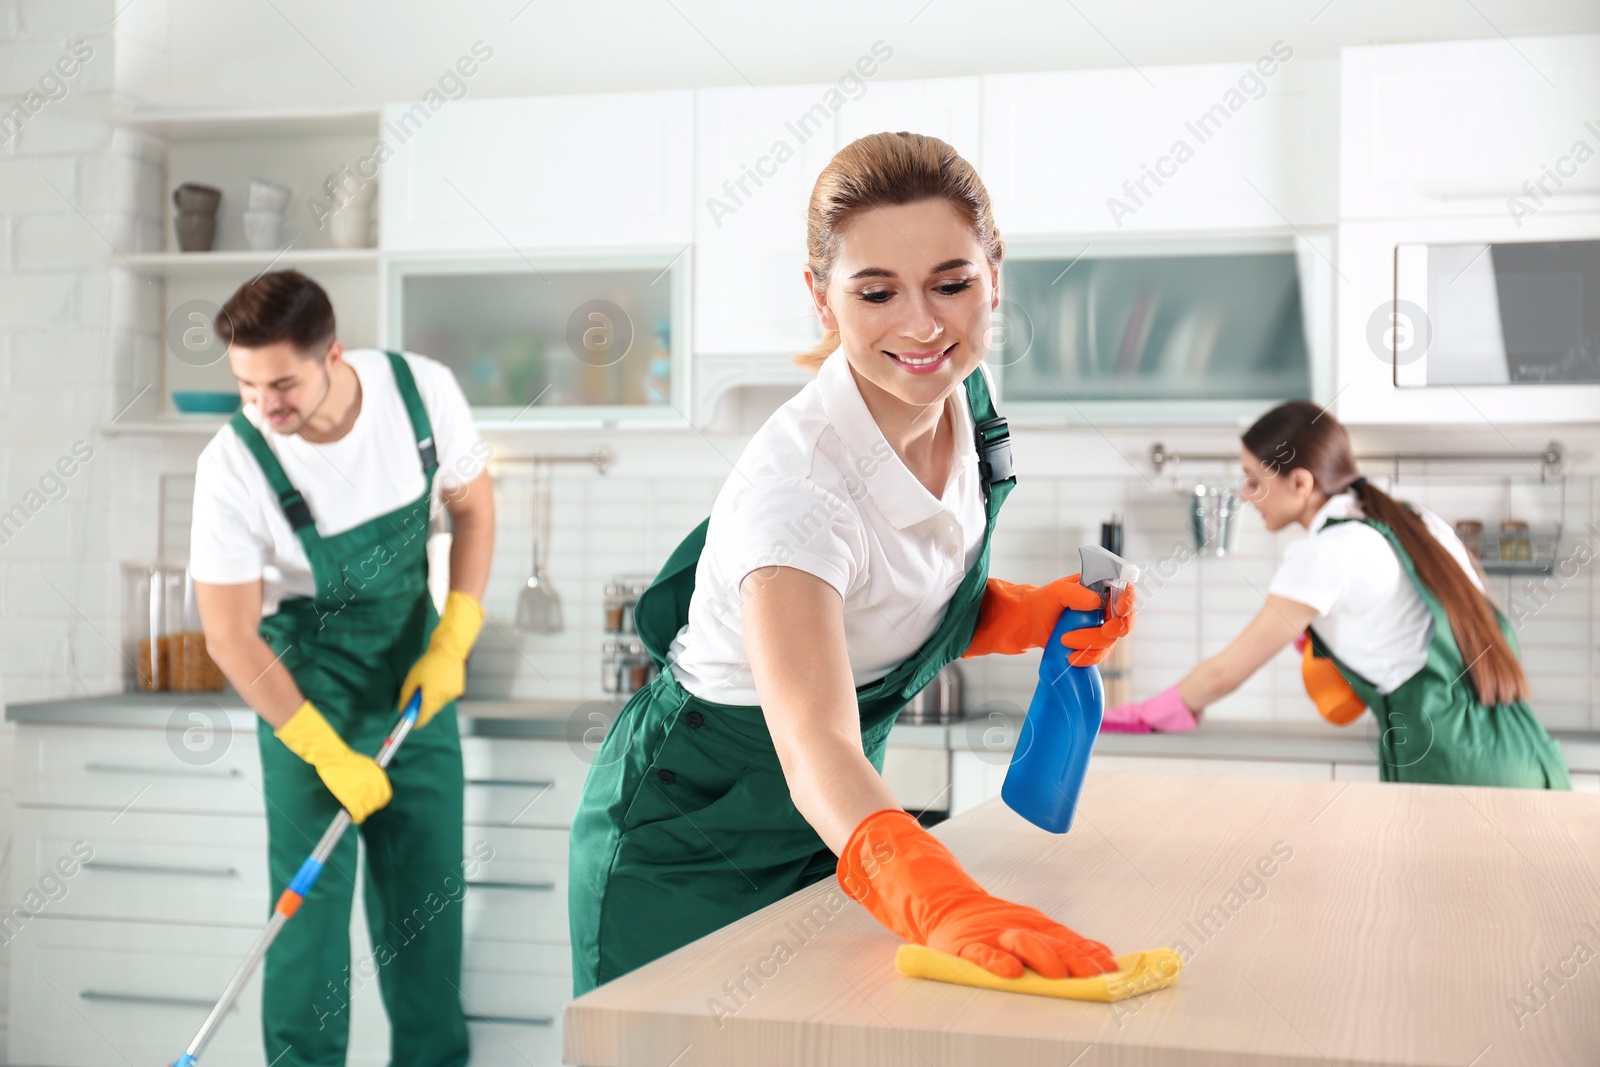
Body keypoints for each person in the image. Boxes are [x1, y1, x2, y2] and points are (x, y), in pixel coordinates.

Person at [568, 132, 1136, 996]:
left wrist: (1019, 615)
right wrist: (942, 898)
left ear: (995, 278)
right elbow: (816, 747)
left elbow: (889, 607)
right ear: (822, 300)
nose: (923, 325)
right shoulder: (798, 492)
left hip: (837, 831)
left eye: (953, 284)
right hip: (689, 838)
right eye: (877, 292)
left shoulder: (962, 399)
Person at [190, 270, 496, 1066]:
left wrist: (456, 629)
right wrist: (326, 750)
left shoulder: (419, 393)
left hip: (411, 683)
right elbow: (229, 635)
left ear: (332, 351)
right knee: (308, 926)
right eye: (246, 385)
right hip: (303, 693)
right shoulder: (233, 464)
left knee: (424, 915)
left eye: (282, 381)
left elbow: (473, 504)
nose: (264, 405)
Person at [1103, 401, 1570, 790]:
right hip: (1529, 753)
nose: (1246, 496)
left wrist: (1151, 712)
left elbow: (1228, 670)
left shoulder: (1324, 554)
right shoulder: (1415, 520)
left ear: (1301, 483)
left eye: (1252, 479)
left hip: (1457, 766)